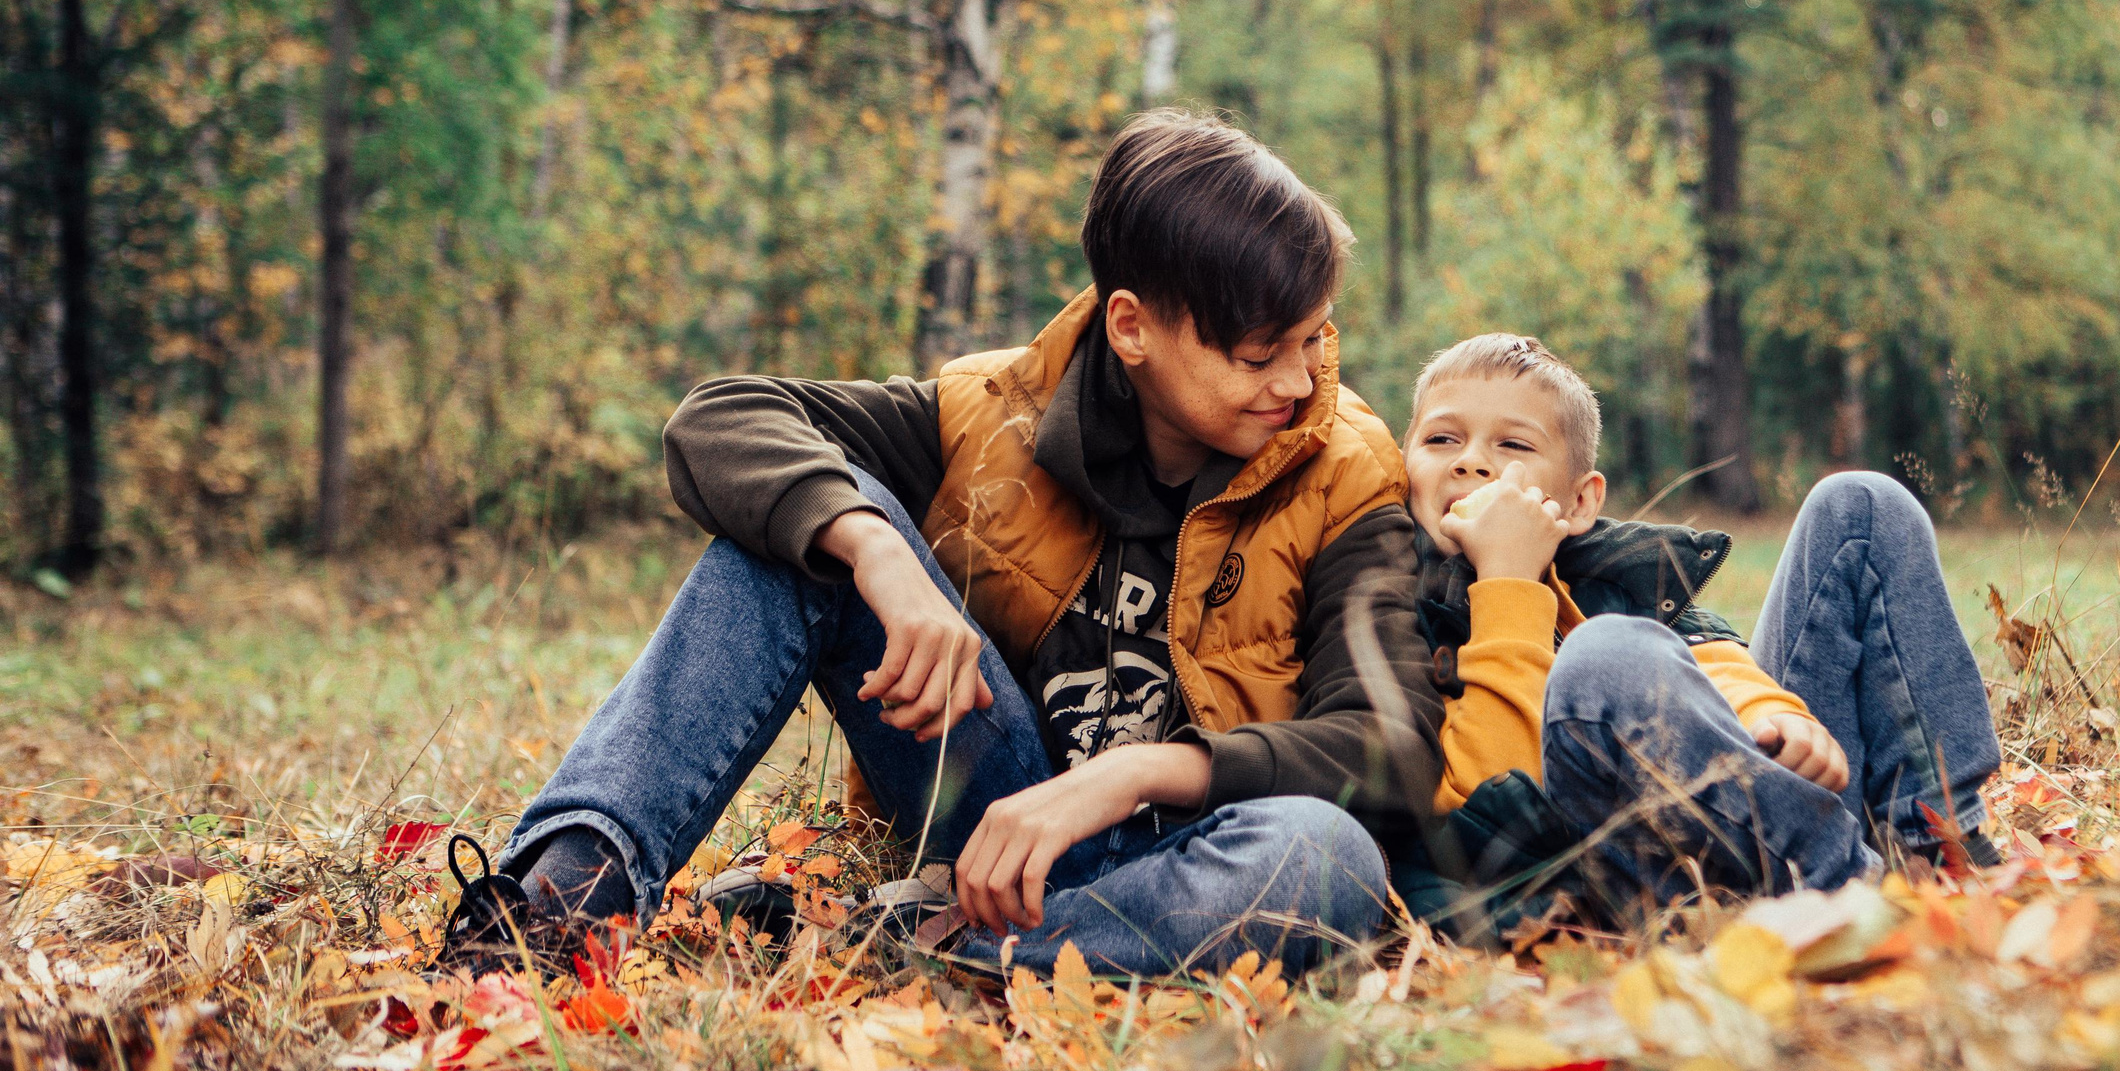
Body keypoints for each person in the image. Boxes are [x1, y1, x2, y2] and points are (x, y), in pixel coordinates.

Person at [438, 111, 1442, 980]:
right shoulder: (990, 414)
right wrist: (876, 552)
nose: (1300, 380)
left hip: (1190, 849)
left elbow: (1390, 742)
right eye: (1260, 354)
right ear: (1132, 328)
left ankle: (904, 941)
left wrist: (1132, 774)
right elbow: (717, 418)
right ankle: (560, 899)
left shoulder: (1343, 465)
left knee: (1326, 858)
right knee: (809, 519)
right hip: (980, 811)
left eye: (1314, 339)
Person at [1394, 334, 2000, 928]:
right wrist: (1507, 581)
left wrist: (1775, 715)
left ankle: (1943, 848)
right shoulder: (1387, 612)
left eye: (1513, 445)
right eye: (1441, 438)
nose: (1470, 460)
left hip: (1766, 808)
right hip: (1628, 864)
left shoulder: (1616, 577)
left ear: (1580, 502)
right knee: (1605, 654)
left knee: (1862, 504)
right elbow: (1483, 814)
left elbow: (1716, 664)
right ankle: (1859, 895)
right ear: (1403, 469)